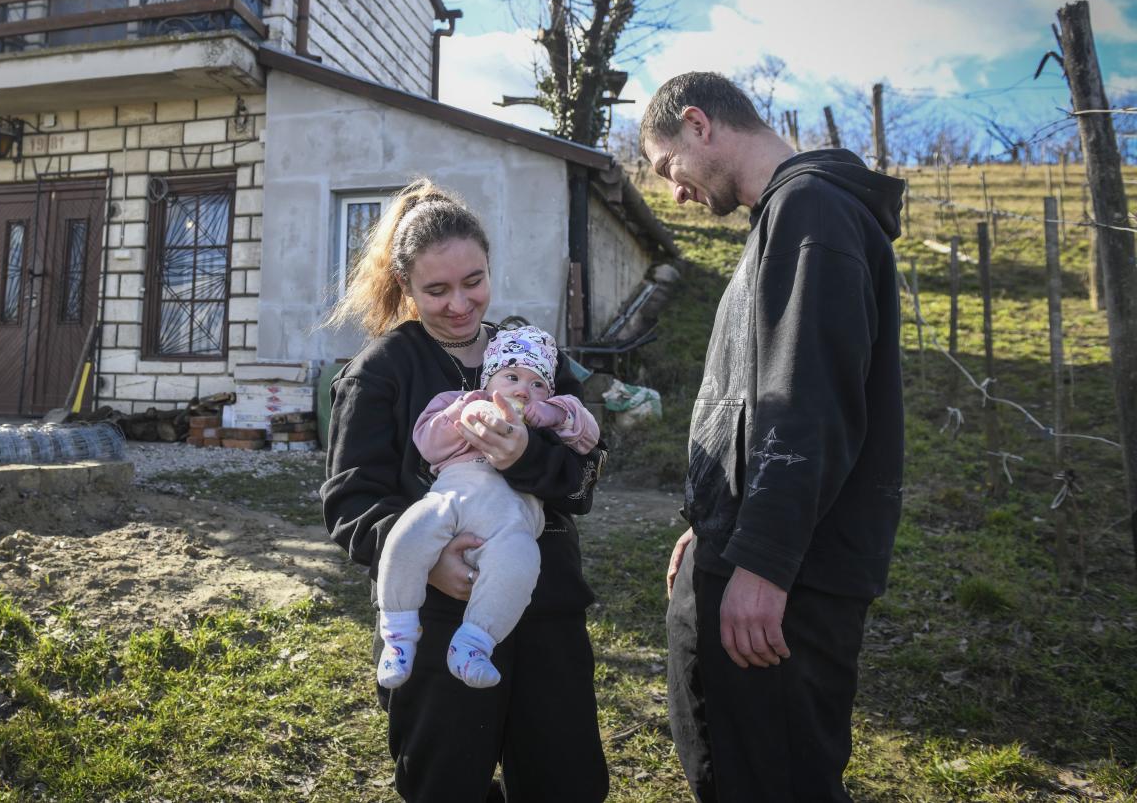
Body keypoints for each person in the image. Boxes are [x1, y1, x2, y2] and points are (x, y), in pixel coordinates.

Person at [639, 72, 906, 802]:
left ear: (698, 124)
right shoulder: (784, 219)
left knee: (777, 778)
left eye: (668, 167)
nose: (674, 191)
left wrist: (763, 563)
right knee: (733, 763)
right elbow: (751, 404)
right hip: (749, 551)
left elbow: (805, 405)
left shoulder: (811, 212)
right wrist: (707, 525)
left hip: (789, 580)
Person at [321, 178, 609, 803]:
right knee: (446, 785)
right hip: (434, 622)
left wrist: (529, 457)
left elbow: (583, 481)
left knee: (566, 783)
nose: (460, 303)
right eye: (437, 290)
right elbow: (349, 501)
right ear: (405, 287)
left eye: (473, 281)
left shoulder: (532, 355)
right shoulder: (381, 371)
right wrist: (432, 567)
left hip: (544, 606)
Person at [376, 324, 601, 691]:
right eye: (511, 377)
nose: (521, 390)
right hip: (451, 500)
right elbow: (426, 443)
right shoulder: (461, 400)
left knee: (520, 562)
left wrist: (557, 415)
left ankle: (474, 644)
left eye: (536, 384)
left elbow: (589, 437)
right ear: (489, 378)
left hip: (511, 518)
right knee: (407, 534)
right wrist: (463, 415)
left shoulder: (552, 413)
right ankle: (398, 635)